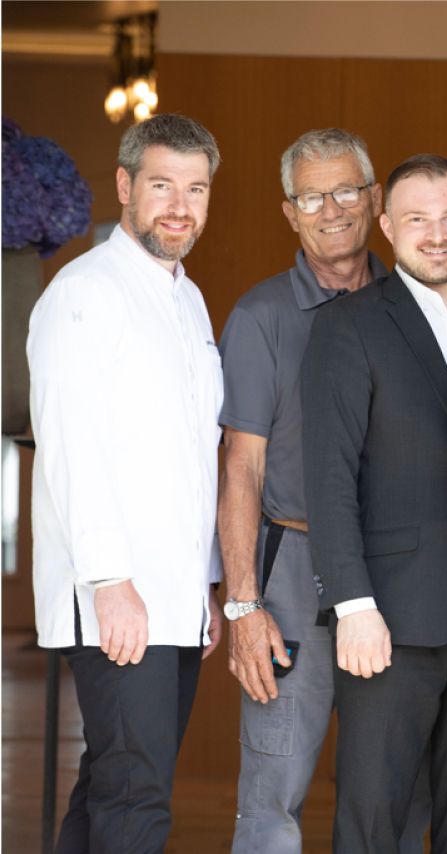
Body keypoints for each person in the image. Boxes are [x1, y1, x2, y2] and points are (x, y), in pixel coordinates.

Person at [217, 128, 431, 853]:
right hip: (293, 574)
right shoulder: (262, 316)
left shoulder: (418, 305)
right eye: (312, 197)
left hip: (399, 574)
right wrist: (244, 605)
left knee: (398, 794)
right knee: (273, 793)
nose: (331, 209)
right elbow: (241, 468)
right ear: (290, 212)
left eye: (346, 191)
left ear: (375, 200)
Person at [301, 154, 447, 853]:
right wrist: (352, 606)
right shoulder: (348, 326)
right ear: (388, 226)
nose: (437, 233)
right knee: (374, 816)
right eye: (417, 219)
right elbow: (329, 479)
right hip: (389, 614)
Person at [27, 113, 224, 854]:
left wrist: (205, 587)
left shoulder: (187, 299)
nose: (180, 206)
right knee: (136, 798)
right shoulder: (85, 293)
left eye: (196, 189)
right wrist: (111, 581)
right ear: (124, 185)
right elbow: (71, 447)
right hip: (117, 596)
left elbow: (191, 455)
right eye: (162, 185)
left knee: (116, 784)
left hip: (175, 597)